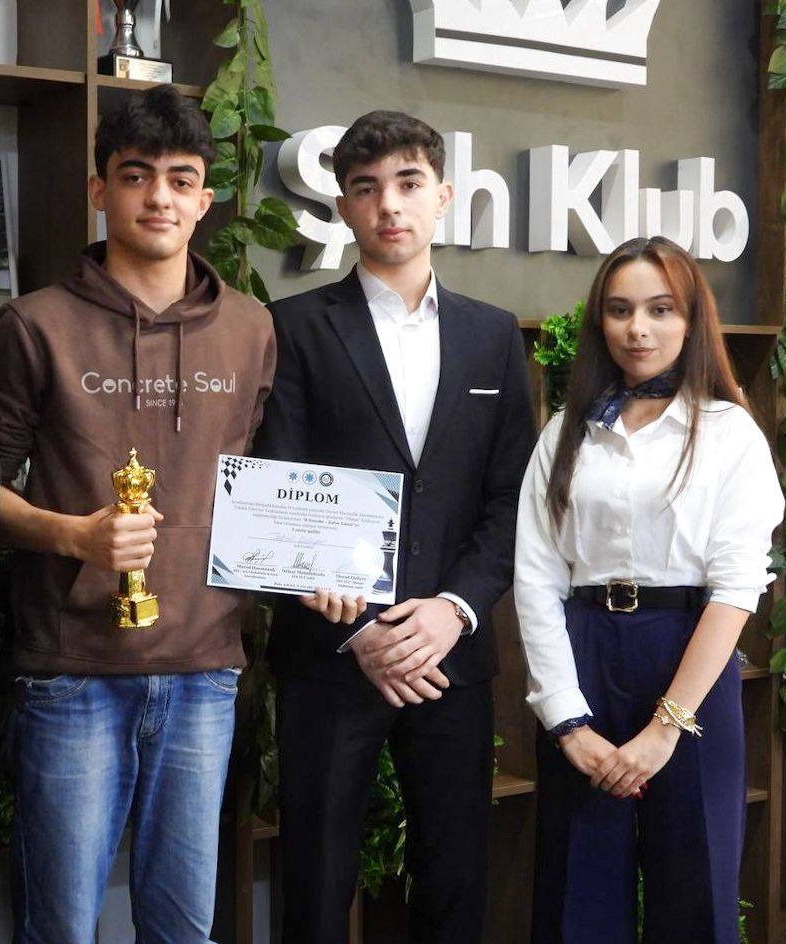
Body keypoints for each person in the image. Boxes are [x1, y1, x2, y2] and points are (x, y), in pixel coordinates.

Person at [0, 84, 275, 944]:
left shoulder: (251, 328)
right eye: (137, 175)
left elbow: (260, 484)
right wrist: (74, 534)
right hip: (70, 671)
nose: (160, 198)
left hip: (205, 668)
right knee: (61, 928)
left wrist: (316, 564)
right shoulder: (33, 325)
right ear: (100, 189)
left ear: (205, 200)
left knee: (183, 931)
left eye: (182, 180)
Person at [253, 110, 537, 944]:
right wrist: (363, 631)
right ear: (343, 206)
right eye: (366, 188)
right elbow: (278, 487)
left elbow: (511, 498)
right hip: (330, 651)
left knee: (455, 876)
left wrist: (454, 609)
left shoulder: (493, 336)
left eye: (409, 184)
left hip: (452, 652)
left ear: (443, 196)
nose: (389, 205)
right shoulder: (294, 326)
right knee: (315, 881)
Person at [514, 236, 784, 944]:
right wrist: (567, 723)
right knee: (576, 893)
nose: (638, 328)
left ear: (692, 321)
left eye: (661, 310)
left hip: (688, 654)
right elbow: (536, 578)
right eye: (620, 310)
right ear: (600, 322)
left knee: (696, 887)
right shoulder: (566, 433)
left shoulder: (729, 433)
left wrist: (667, 729)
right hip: (583, 652)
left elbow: (736, 589)